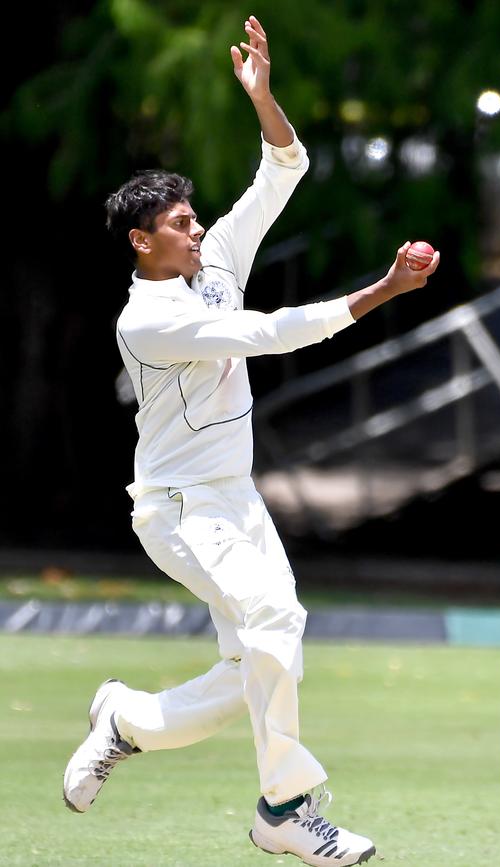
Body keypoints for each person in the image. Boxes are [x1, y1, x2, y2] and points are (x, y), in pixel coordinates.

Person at [62, 15, 439, 867]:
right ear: (141, 240)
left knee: (258, 662)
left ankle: (125, 719)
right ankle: (283, 807)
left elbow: (285, 166)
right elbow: (269, 333)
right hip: (180, 510)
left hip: (237, 498)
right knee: (275, 621)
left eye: (197, 220)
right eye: (182, 225)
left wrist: (264, 100)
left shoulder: (215, 257)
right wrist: (383, 289)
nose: (197, 233)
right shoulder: (150, 319)